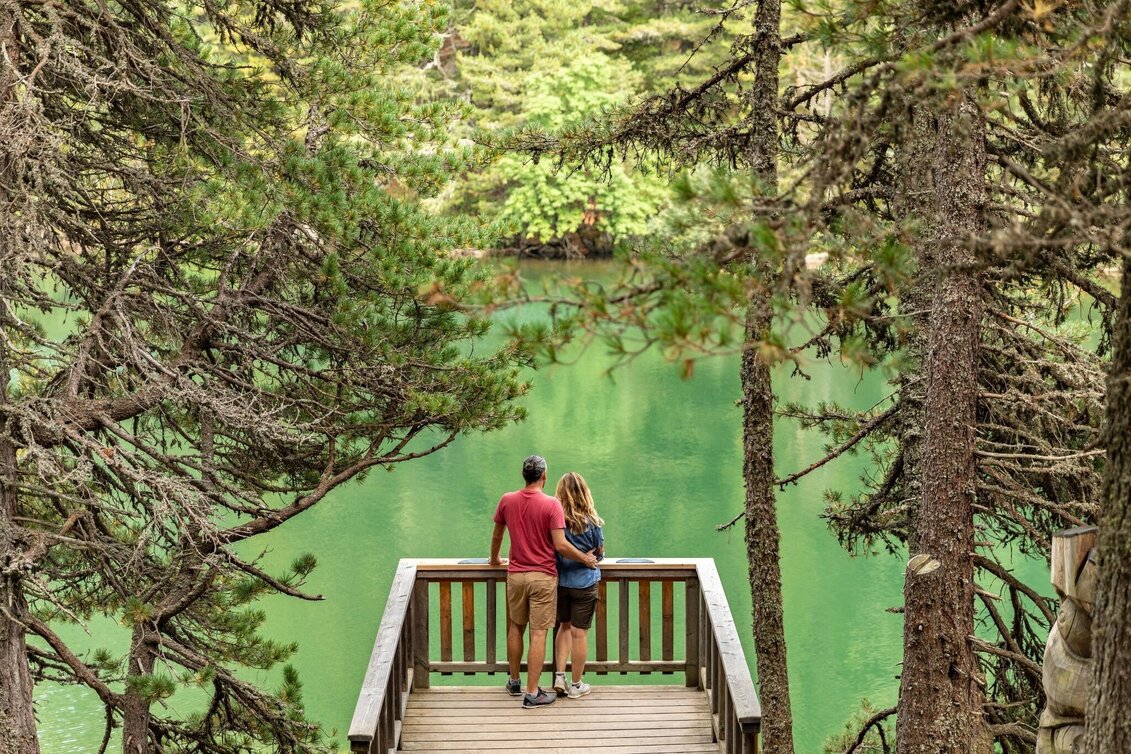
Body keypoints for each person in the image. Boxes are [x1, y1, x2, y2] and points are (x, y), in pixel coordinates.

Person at [488, 455, 598, 709]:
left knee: (516, 626)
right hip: (543, 577)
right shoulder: (552, 504)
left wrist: (495, 559)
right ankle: (532, 692)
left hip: (515, 574)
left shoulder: (507, 500)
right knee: (538, 633)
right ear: (544, 475)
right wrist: (585, 558)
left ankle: (514, 681)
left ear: (523, 474)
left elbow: (497, 535)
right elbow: (560, 545)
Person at [550, 471, 604, 699]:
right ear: (585, 492)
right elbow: (599, 554)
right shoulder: (592, 522)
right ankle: (576, 685)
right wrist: (590, 556)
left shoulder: (556, 521)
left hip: (561, 581)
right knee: (579, 634)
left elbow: (553, 547)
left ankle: (559, 676)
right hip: (584, 583)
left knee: (564, 626)